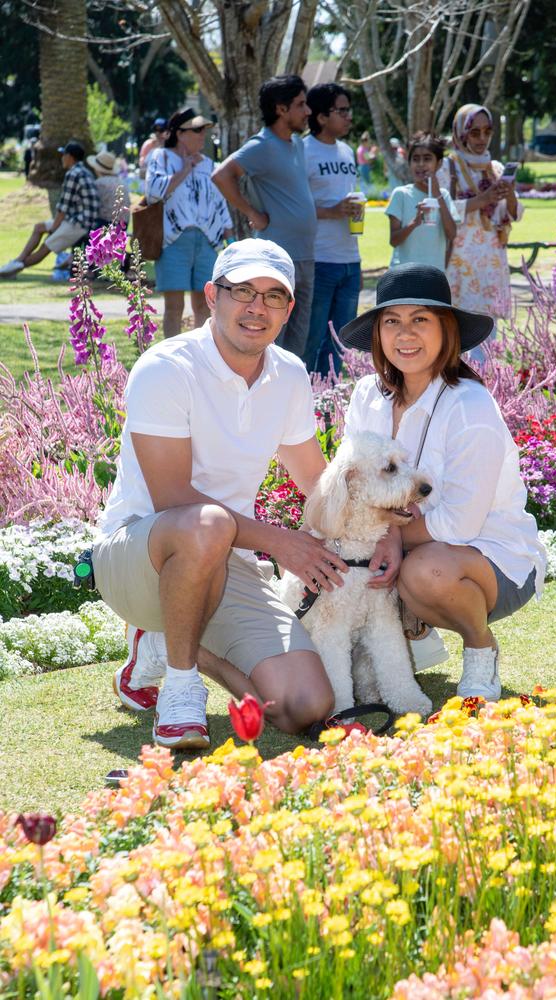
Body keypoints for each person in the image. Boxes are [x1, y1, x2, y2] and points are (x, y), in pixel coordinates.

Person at [93, 239, 352, 749]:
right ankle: (181, 688)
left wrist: (380, 534)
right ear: (212, 296)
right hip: (139, 554)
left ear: (289, 309)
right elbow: (173, 498)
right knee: (204, 524)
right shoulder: (167, 367)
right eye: (242, 292)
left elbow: (316, 485)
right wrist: (280, 542)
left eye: (274, 296)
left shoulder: (289, 375)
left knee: (305, 705)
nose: (256, 308)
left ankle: (163, 642)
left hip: (223, 559)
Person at [339, 263, 546, 701]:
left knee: (425, 571)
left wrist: (392, 536)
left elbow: (460, 525)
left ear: (446, 329)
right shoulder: (366, 396)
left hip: (490, 560)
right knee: (342, 552)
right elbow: (354, 486)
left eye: (420, 320)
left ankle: (479, 648)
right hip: (406, 544)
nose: (405, 334)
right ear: (377, 334)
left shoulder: (469, 405)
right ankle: (407, 636)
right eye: (391, 321)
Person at [213, 75, 317, 360]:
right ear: (281, 109)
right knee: (272, 345)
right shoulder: (262, 145)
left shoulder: (296, 144)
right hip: (279, 259)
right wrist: (252, 213)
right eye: (301, 104)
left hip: (306, 256)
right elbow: (221, 175)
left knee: (297, 346)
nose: (307, 111)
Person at [145, 107, 234, 338]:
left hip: (207, 241)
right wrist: (184, 169)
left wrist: (230, 237)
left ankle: (201, 359)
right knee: (174, 307)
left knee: (205, 306)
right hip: (173, 241)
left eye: (203, 130)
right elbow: (154, 192)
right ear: (179, 132)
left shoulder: (208, 163)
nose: (202, 135)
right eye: (196, 130)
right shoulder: (160, 157)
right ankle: (173, 362)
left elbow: (219, 201)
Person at [438, 104, 523, 324]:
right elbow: (441, 210)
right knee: (458, 331)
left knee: (488, 333)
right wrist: (483, 200)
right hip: (459, 260)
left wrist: (510, 193)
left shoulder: (495, 168)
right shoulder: (447, 167)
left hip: (491, 261)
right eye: (474, 132)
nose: (482, 138)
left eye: (487, 131)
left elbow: (514, 214)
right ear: (461, 133)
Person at [302, 82, 361, 376]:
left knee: (342, 340)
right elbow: (294, 208)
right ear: (322, 116)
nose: (349, 116)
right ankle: (304, 397)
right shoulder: (302, 150)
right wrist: (332, 211)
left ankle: (329, 401)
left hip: (351, 259)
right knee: (312, 338)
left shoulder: (348, 151)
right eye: (342, 110)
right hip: (319, 259)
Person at [0, 141, 99, 279]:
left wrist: (53, 229)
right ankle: (17, 260)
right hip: (78, 219)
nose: (61, 158)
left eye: (63, 154)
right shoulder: (85, 172)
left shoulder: (73, 174)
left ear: (70, 157)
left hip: (79, 224)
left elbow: (63, 207)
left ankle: (12, 269)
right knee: (39, 227)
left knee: (45, 247)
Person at [386, 132, 458, 270]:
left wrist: (437, 195)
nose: (421, 164)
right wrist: (414, 222)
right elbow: (394, 240)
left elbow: (452, 234)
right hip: (403, 274)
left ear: (439, 163)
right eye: (416, 159)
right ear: (409, 162)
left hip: (433, 276)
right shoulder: (401, 194)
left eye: (427, 159)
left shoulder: (444, 196)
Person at [87, 151, 130, 227]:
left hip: (105, 224)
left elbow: (92, 206)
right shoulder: (122, 183)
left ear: (96, 169)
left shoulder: (99, 183)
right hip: (123, 225)